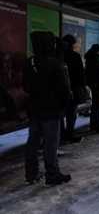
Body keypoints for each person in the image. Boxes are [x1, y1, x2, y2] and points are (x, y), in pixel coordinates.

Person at [23, 31, 72, 186]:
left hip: (34, 109)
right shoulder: (54, 63)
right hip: (51, 110)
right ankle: (52, 174)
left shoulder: (29, 62)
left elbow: (25, 86)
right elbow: (64, 89)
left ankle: (31, 174)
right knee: (50, 144)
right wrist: (63, 106)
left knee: (33, 142)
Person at [62, 34, 85, 143]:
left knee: (61, 114)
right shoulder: (75, 56)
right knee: (71, 114)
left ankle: (61, 135)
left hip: (61, 89)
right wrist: (82, 87)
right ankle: (69, 134)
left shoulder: (59, 55)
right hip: (74, 89)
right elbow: (81, 74)